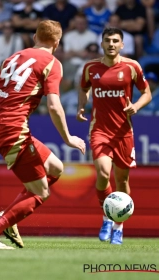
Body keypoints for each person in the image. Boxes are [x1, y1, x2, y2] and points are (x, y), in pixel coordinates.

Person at [0, 20, 86, 249]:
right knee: (41, 191)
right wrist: (68, 138)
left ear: (35, 37)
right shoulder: (52, 63)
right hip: (13, 129)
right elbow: (55, 106)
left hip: (3, 127)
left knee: (55, 168)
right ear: (57, 43)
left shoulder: (13, 57)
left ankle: (8, 219)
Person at [77, 27, 152, 245]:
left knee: (122, 179)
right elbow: (83, 88)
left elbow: (146, 92)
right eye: (108, 40)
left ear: (122, 44)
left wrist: (136, 106)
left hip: (123, 131)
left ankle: (119, 227)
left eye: (115, 41)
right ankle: (107, 217)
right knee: (102, 173)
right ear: (101, 43)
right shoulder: (91, 67)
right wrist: (82, 106)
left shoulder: (132, 66)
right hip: (99, 129)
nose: (111, 44)